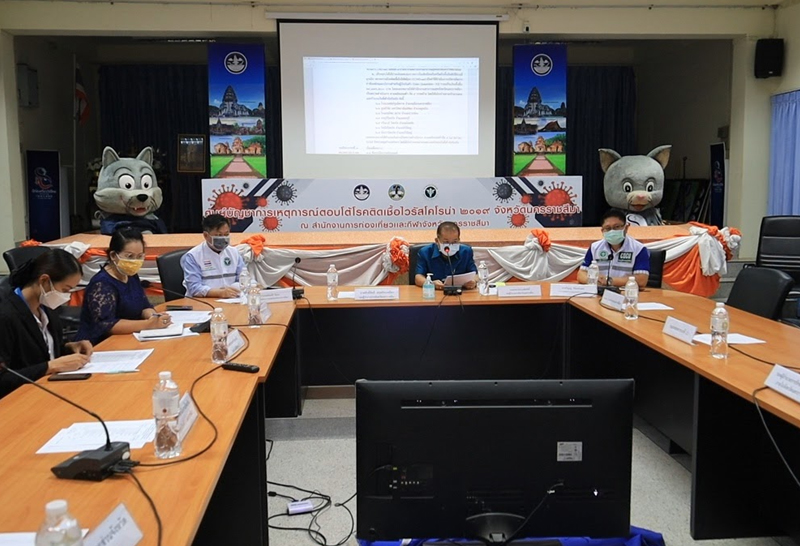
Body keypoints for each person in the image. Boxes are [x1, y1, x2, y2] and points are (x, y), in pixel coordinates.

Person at [0, 248, 93, 399]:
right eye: (65, 290)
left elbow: (43, 352)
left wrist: (69, 348)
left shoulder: (46, 309)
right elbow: (3, 379)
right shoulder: (6, 316)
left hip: (50, 390)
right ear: (44, 281)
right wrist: (50, 367)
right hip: (20, 399)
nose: (67, 297)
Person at [74, 228, 171, 345]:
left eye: (139, 256)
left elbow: (144, 306)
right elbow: (107, 325)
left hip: (131, 337)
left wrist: (153, 316)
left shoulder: (131, 275)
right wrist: (148, 324)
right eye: (130, 256)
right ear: (113, 255)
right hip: (97, 345)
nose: (135, 261)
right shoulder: (101, 284)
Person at [577, 208, 650, 289]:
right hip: (600, 291)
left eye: (617, 227)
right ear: (602, 231)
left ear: (626, 227)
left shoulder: (639, 249)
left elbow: (641, 280)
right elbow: (581, 274)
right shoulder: (595, 247)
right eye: (608, 228)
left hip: (626, 292)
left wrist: (610, 281)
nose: (612, 231)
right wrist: (594, 281)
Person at [181, 213, 244, 298]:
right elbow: (194, 288)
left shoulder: (234, 253)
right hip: (202, 302)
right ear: (206, 235)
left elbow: (243, 278)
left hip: (231, 300)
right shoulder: (193, 256)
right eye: (219, 235)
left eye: (226, 234)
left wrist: (250, 285)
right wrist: (219, 293)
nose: (223, 238)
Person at [414, 221, 477, 290]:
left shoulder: (466, 252)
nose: (450, 245)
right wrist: (431, 283)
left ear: (459, 240)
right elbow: (418, 278)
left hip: (460, 292)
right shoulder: (425, 252)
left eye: (455, 242)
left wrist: (473, 282)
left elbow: (475, 275)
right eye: (446, 242)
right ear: (437, 241)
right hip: (434, 292)